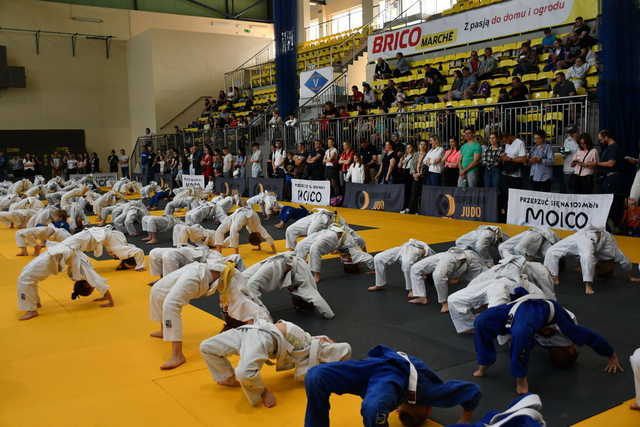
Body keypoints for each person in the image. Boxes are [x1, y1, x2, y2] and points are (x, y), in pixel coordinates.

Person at [473, 297, 623, 395]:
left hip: (516, 309)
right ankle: (520, 379)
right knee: (521, 332)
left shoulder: (538, 342)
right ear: (571, 348)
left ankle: (485, 362)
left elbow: (523, 347)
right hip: (542, 307)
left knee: (482, 322)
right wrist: (611, 354)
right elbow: (591, 338)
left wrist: (527, 335)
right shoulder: (570, 331)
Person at [304, 345, 480, 427]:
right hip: (391, 371)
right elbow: (472, 391)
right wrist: (464, 420)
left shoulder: (390, 397)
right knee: (316, 376)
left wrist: (465, 418)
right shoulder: (429, 392)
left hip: (373, 370)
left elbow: (471, 392)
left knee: (316, 376)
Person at [201, 319, 350, 409]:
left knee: (244, 372)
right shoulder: (309, 346)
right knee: (206, 347)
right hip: (253, 331)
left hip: (264, 333)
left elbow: (342, 349)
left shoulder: (311, 348)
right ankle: (229, 377)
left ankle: (263, 391)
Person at [149, 260, 270, 370]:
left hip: (214, 276)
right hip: (200, 270)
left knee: (170, 304)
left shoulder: (235, 286)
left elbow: (248, 304)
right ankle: (163, 330)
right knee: (157, 289)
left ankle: (177, 355)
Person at [447, 255, 556, 334]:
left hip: (514, 284)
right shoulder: (493, 271)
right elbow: (547, 294)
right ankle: (469, 326)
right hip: (494, 280)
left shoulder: (537, 269)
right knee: (453, 299)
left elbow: (546, 295)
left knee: (496, 311)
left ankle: (507, 334)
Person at [17, 243, 113, 320]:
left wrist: (106, 297)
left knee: (25, 278)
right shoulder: (84, 274)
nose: (94, 287)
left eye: (93, 288)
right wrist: (110, 301)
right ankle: (34, 304)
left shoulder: (82, 275)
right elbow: (99, 283)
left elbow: (98, 283)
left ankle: (31, 309)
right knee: (27, 277)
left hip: (53, 256)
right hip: (54, 255)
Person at [544, 225, 634, 294]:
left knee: (586, 256)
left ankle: (555, 276)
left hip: (588, 237)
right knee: (552, 251)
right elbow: (624, 261)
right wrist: (630, 276)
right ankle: (554, 276)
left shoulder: (607, 252)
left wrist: (630, 276)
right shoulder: (612, 250)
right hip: (584, 236)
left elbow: (624, 261)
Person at [243, 252, 334, 319]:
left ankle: (257, 312)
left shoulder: (303, 279)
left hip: (283, 260)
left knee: (243, 278)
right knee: (249, 283)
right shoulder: (305, 284)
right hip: (280, 264)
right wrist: (264, 315)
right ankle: (261, 315)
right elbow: (317, 299)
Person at [408, 247, 488, 311]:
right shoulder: (445, 265)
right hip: (449, 255)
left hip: (470, 259)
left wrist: (444, 302)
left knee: (481, 280)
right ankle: (421, 297)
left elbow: (439, 277)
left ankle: (487, 298)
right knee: (415, 268)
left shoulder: (443, 269)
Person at [295, 224, 373, 283]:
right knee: (309, 247)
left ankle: (299, 268)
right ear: (356, 264)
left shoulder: (351, 246)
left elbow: (365, 250)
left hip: (329, 231)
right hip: (332, 234)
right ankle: (315, 275)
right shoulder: (352, 250)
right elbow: (369, 257)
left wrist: (365, 254)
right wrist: (372, 268)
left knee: (302, 245)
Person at [368, 239, 434, 293]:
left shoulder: (424, 266)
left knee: (406, 265)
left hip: (413, 253)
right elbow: (424, 248)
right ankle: (380, 284)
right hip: (403, 249)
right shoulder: (431, 258)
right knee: (378, 258)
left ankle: (411, 289)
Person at [561, 126, 580, 193]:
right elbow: (562, 154)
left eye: (572, 133)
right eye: (569, 133)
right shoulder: (566, 140)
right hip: (568, 169)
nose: (569, 135)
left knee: (577, 191)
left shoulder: (580, 141)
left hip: (578, 170)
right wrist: (565, 152)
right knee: (569, 191)